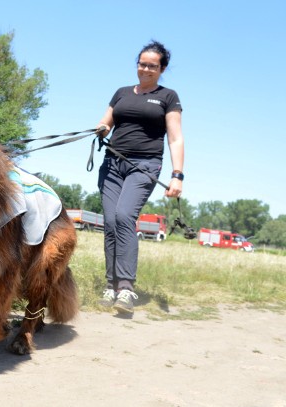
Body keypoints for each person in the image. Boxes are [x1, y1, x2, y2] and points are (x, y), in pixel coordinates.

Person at [95, 40, 184, 314]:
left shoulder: (168, 96)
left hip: (144, 165)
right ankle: (110, 286)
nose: (145, 69)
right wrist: (100, 129)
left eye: (152, 65)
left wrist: (177, 175)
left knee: (124, 217)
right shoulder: (122, 92)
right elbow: (106, 122)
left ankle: (125, 289)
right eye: (142, 63)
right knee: (110, 222)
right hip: (112, 163)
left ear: (162, 68)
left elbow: (176, 138)